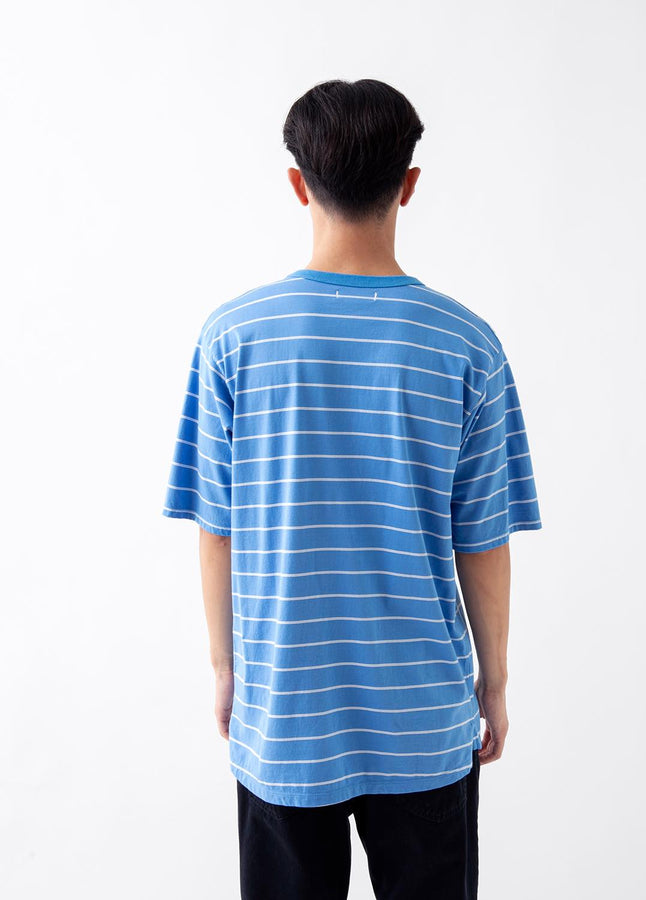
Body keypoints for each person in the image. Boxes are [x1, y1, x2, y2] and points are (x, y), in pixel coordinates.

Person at [162, 78, 542, 900]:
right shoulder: (467, 344)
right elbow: (483, 538)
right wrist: (495, 681)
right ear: (410, 183)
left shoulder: (233, 338)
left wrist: (226, 669)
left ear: (298, 183)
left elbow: (216, 527)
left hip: (286, 708)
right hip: (424, 712)